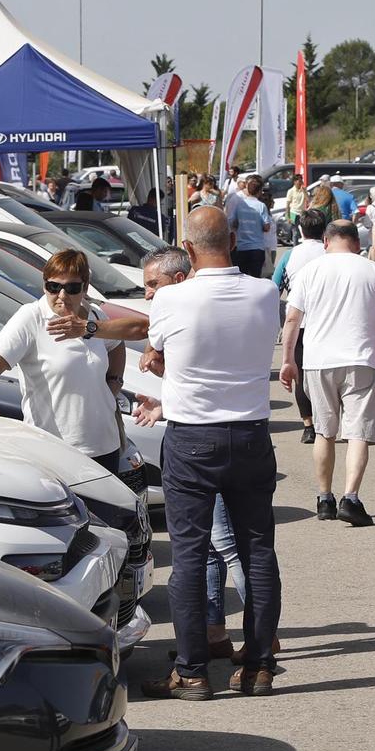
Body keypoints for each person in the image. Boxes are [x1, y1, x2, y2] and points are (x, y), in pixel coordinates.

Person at [140, 206, 285, 699]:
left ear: (188, 246)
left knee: (189, 553)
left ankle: (192, 670)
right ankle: (259, 665)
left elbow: (156, 350)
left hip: (192, 437)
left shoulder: (173, 298)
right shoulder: (265, 292)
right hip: (249, 433)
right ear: (235, 237)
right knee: (258, 549)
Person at [281, 219, 375, 527]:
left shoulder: (310, 272)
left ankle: (324, 498)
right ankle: (351, 497)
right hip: (361, 359)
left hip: (318, 361)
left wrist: (287, 360)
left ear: (326, 242)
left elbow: (292, 320)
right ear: (356, 244)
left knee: (324, 431)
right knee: (358, 433)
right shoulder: (374, 270)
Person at [0, 250, 127, 470]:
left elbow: (117, 344)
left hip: (105, 444)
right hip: (56, 448)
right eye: (53, 286)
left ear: (85, 287)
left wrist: (114, 382)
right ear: (44, 286)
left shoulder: (95, 315)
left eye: (71, 288)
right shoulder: (31, 317)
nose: (61, 295)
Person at [273, 208, 331, 443]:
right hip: (328, 322)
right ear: (324, 230)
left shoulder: (290, 255)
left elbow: (274, 288)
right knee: (328, 373)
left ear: (299, 230)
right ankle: (328, 420)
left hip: (299, 323)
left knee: (301, 375)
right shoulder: (330, 253)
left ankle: (308, 425)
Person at [225, 174, 272, 278]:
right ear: (260, 191)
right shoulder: (261, 206)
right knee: (255, 278)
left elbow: (232, 222)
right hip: (257, 248)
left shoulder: (240, 204)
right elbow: (266, 227)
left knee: (243, 278)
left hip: (242, 248)